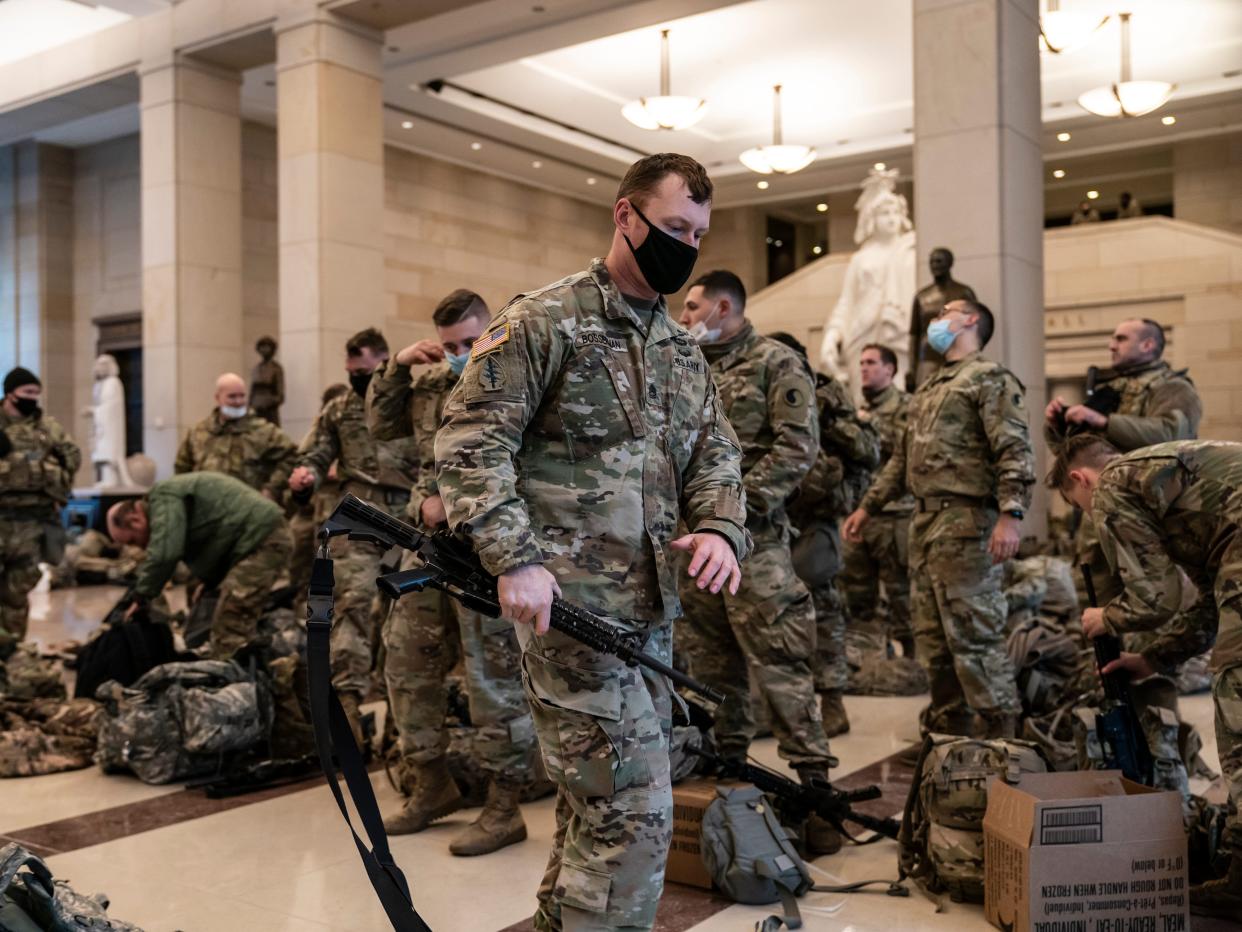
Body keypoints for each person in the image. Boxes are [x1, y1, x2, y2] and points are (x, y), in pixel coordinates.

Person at [435, 153, 749, 932]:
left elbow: (715, 453)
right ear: (626, 216)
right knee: (633, 817)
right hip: (569, 613)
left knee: (598, 804)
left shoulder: (679, 349)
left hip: (650, 615)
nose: (687, 246)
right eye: (675, 227)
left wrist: (719, 527)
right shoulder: (546, 320)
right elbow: (470, 443)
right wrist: (516, 557)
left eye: (699, 234)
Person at [367, 289, 541, 855]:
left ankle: (504, 804)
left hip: (488, 552)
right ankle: (431, 783)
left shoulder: (520, 379)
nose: (462, 353)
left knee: (491, 677)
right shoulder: (431, 387)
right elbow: (380, 423)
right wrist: (395, 366)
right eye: (450, 346)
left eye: (471, 340)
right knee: (406, 662)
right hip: (428, 550)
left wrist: (460, 506)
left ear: (492, 329)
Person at [1049, 435, 1242, 918]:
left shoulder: (1113, 483)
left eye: (1081, 507)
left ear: (1081, 479)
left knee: (1237, 706)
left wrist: (1105, 618)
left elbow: (1155, 596)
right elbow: (1203, 607)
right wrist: (1152, 660)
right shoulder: (1173, 492)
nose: (1092, 519)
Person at [843, 299, 1035, 739]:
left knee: (975, 636)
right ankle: (952, 736)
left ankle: (1002, 737)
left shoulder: (990, 378)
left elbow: (1014, 448)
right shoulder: (929, 387)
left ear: (970, 320)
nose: (934, 320)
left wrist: (1012, 514)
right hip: (925, 527)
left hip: (967, 524)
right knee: (933, 640)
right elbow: (901, 460)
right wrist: (867, 506)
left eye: (945, 311)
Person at [675, 272, 836, 786]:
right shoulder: (685, 364)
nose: (684, 317)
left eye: (693, 306)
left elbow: (798, 448)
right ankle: (728, 769)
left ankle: (814, 786)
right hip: (694, 542)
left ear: (724, 308)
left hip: (755, 541)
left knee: (779, 663)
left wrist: (735, 509)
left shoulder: (776, 362)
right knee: (710, 662)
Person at [1045, 318, 1202, 766]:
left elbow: (1172, 436)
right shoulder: (1110, 387)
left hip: (1146, 534)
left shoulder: (1173, 389)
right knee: (1106, 647)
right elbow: (1081, 457)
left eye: (1121, 338)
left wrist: (1105, 419)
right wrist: (1059, 429)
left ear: (1150, 344)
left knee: (1149, 639)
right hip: (1101, 543)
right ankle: (1123, 753)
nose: (1111, 344)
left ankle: (1163, 753)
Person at [289, 328, 419, 743]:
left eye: (364, 371)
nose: (357, 379)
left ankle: (402, 725)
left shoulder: (411, 401)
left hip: (407, 520)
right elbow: (314, 452)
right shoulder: (339, 408)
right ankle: (348, 711)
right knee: (352, 604)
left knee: (403, 618)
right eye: (352, 372)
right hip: (357, 517)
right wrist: (305, 475)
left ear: (383, 363)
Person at [768, 330, 880, 738]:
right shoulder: (764, 387)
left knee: (822, 611)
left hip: (816, 520)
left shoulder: (826, 395)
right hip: (772, 516)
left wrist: (830, 417)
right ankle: (780, 706)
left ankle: (831, 702)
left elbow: (866, 450)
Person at [106, 472, 292, 660]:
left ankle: (232, 683)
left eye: (133, 541)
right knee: (209, 618)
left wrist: (141, 596)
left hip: (264, 538)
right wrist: (210, 582)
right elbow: (215, 536)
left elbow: (166, 553)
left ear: (136, 520)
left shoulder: (162, 496)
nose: (140, 547)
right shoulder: (166, 504)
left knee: (231, 621)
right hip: (252, 541)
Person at [0, 367, 81, 658]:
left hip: (32, 525)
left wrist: (57, 475)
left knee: (16, 596)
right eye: (26, 393)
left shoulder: (48, 428)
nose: (32, 399)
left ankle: (10, 657)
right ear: (10, 393)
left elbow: (72, 457)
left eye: (36, 393)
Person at [841, 343, 915, 657]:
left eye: (871, 362)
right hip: (856, 512)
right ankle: (873, 655)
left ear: (890, 369)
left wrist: (858, 430)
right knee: (857, 590)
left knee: (900, 591)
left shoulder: (905, 406)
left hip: (892, 514)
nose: (864, 369)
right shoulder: (860, 409)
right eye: (861, 363)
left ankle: (912, 655)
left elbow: (901, 452)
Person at [174, 372, 298, 500]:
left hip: (249, 508)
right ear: (218, 398)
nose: (238, 402)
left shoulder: (264, 431)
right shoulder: (199, 432)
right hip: (206, 510)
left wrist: (271, 490)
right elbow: (182, 468)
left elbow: (291, 456)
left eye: (242, 396)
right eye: (232, 397)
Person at [287, 383, 349, 604]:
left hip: (349, 504)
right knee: (317, 561)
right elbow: (306, 461)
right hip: (323, 506)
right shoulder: (320, 430)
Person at [909, 248, 978, 388]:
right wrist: (911, 369)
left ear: (950, 263)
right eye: (932, 262)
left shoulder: (964, 292)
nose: (935, 265)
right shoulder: (921, 296)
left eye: (939, 261)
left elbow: (976, 328)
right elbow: (914, 335)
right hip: (927, 358)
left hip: (958, 355)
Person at [250, 336, 285, 425]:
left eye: (267, 347)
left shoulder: (276, 369)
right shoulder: (256, 368)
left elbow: (280, 395)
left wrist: (268, 402)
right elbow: (252, 391)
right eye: (262, 347)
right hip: (256, 410)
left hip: (270, 412)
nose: (264, 350)